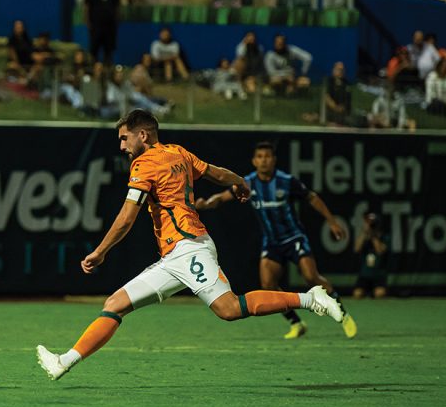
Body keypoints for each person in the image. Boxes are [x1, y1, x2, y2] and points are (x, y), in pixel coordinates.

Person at [34, 110, 347, 381]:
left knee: (230, 308)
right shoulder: (179, 153)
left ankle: (310, 299)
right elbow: (219, 174)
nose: (121, 146)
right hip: (176, 255)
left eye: (124, 138)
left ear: (142, 135)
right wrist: (241, 182)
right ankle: (64, 362)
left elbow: (127, 218)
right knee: (114, 304)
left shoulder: (144, 165)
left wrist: (100, 251)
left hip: (188, 249)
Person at [195, 141, 358, 340]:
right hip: (272, 242)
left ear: (274, 160)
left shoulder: (286, 181)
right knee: (268, 283)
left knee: (311, 277)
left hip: (294, 237)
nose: (264, 160)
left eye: (268, 156)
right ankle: (296, 323)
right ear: (254, 161)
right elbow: (222, 197)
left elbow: (312, 197)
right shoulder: (249, 183)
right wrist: (207, 204)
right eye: (260, 157)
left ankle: (342, 314)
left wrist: (332, 222)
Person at [83, 0, 120, 65]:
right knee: (93, 50)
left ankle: (107, 72)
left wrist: (116, 22)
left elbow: (117, 7)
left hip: (109, 27)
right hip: (96, 26)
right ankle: (94, 71)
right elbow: (87, 7)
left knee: (108, 51)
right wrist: (88, 22)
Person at [352, 212, 389, 299]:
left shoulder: (384, 237)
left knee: (379, 294)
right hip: (365, 275)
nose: (370, 226)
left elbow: (380, 251)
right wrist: (364, 232)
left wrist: (373, 235)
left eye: (372, 223)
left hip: (378, 275)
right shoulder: (364, 238)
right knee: (357, 294)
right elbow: (357, 249)